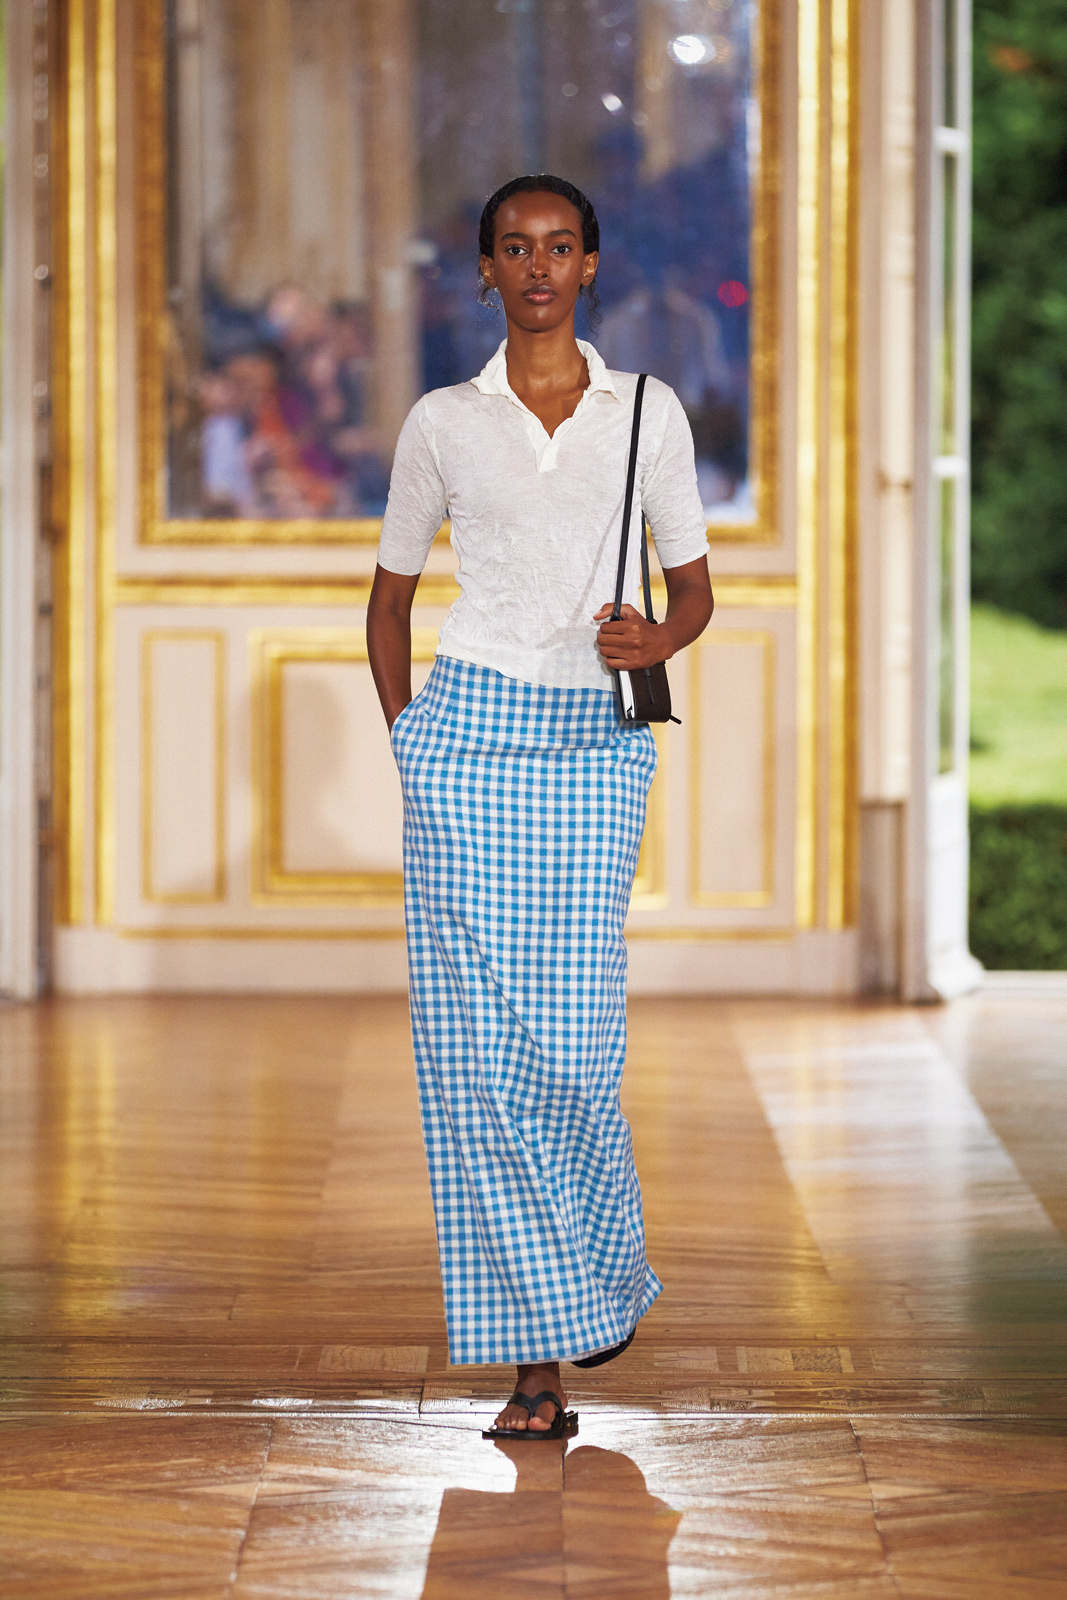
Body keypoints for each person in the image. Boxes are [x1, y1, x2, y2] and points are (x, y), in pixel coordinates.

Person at [367, 174, 714, 1437]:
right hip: (465, 740)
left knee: (571, 1045)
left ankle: (600, 1275)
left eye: (558, 246)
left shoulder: (647, 413)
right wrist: (411, 746)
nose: (535, 267)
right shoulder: (442, 423)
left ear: (589, 265)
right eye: (513, 248)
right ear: (482, 270)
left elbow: (693, 589)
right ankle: (536, 1364)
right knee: (475, 1056)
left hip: (590, 747)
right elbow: (389, 600)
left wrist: (654, 639)